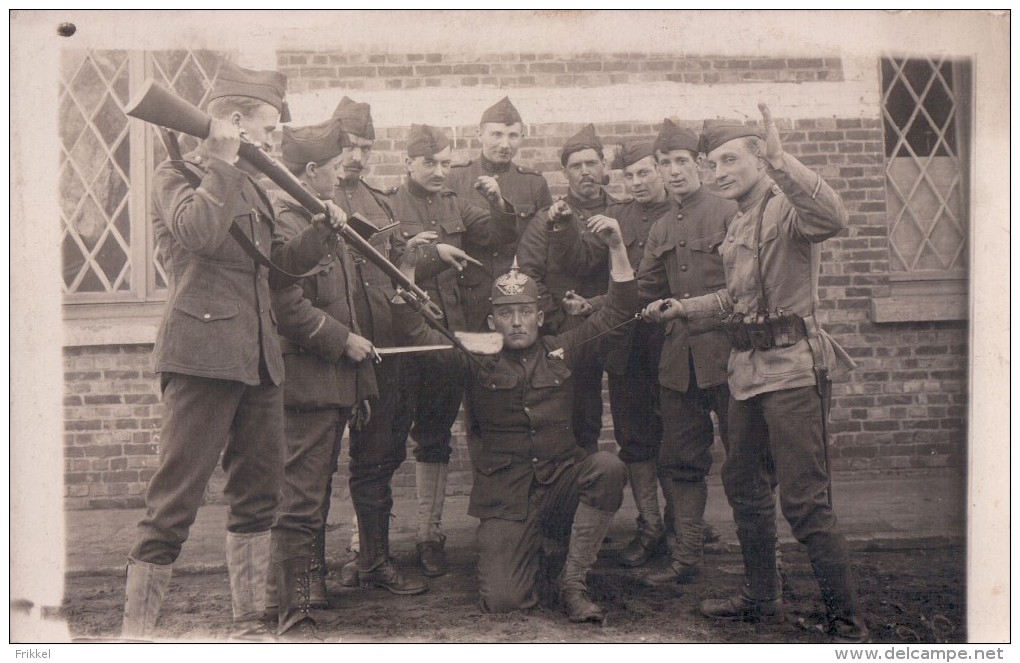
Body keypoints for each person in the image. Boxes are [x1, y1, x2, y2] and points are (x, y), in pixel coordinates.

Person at [121, 62, 347, 641]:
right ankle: (135, 637)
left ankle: (248, 627)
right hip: (201, 357)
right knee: (173, 503)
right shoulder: (176, 173)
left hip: (258, 360)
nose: (274, 142)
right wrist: (220, 161)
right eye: (268, 130)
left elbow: (276, 272)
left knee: (258, 499)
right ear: (237, 122)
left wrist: (322, 230)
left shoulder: (250, 185)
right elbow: (197, 234)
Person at [648, 104, 866, 643]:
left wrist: (783, 161)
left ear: (759, 159)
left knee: (804, 499)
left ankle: (847, 621)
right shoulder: (740, 218)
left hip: (792, 370)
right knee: (743, 485)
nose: (718, 171)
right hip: (745, 372)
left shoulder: (787, 206)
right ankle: (762, 597)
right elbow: (735, 298)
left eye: (730, 159)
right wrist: (686, 308)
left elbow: (833, 218)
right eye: (712, 163)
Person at [394, 213, 639, 623]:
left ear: (540, 317)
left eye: (525, 312)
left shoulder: (562, 348)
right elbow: (419, 333)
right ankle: (531, 549)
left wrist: (616, 246)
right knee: (505, 602)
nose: (517, 322)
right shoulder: (477, 353)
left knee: (608, 468)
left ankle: (573, 581)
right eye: (506, 314)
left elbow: (616, 316)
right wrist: (406, 267)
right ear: (493, 321)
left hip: (560, 485)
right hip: (506, 499)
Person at [388, 123, 518, 577]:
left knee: (436, 438)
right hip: (404, 339)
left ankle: (429, 534)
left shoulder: (456, 203)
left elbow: (497, 236)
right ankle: (368, 543)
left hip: (450, 338)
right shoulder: (388, 205)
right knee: (386, 439)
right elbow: (384, 271)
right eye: (430, 163)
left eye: (446, 162)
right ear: (408, 162)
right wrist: (429, 255)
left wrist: (500, 203)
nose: (441, 171)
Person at [546, 139, 673, 568]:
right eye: (629, 175)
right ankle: (650, 525)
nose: (637, 182)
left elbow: (660, 282)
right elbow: (584, 259)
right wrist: (563, 228)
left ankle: (680, 524)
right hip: (627, 342)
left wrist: (596, 305)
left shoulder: (682, 212)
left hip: (675, 340)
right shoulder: (616, 216)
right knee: (634, 436)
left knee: (679, 436)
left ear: (662, 171)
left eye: (645, 172)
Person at [326, 98, 433, 595]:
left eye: (365, 147)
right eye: (348, 145)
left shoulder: (380, 201)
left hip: (381, 353)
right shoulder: (305, 196)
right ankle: (308, 579)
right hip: (328, 353)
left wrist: (410, 267)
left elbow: (392, 275)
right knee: (313, 466)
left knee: (378, 458)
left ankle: (372, 560)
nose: (356, 157)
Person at [637, 119, 738, 584]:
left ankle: (765, 563)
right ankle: (687, 559)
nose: (674, 171)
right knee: (681, 460)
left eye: (681, 162)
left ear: (699, 164)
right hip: (679, 364)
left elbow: (747, 289)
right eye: (665, 164)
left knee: (747, 460)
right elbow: (645, 290)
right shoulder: (659, 227)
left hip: (732, 358)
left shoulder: (729, 211)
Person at [516, 124, 622, 456]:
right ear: (565, 173)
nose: (585, 172)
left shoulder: (623, 213)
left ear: (604, 166)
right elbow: (530, 275)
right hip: (568, 331)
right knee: (576, 415)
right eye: (576, 166)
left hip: (616, 325)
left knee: (631, 413)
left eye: (592, 163)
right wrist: (559, 323)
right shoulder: (547, 219)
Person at [446, 96, 553, 332]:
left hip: (519, 299)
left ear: (522, 138)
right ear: (479, 134)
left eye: (513, 135)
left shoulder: (534, 184)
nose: (505, 144)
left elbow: (546, 244)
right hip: (469, 298)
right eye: (496, 134)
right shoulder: (454, 179)